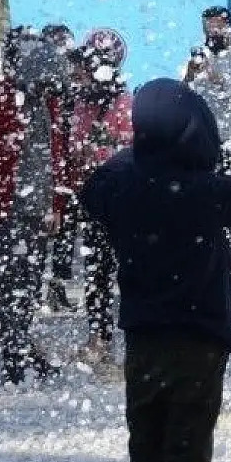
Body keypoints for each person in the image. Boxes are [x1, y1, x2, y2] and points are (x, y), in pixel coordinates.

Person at [80, 78, 231, 462]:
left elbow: (92, 187)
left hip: (144, 340)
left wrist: (139, 154)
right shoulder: (206, 192)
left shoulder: (122, 191)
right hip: (199, 342)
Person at [0, 30, 69, 385]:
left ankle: (22, 349)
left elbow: (57, 159)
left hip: (35, 211)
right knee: (7, 283)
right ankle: (15, 356)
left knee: (28, 283)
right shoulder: (0, 99)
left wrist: (55, 205)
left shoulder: (46, 103)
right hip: (4, 209)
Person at [69, 38, 133, 375]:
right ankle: (99, 336)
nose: (79, 78)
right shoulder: (81, 104)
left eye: (84, 72)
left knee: (131, 270)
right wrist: (81, 151)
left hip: (123, 196)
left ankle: (136, 338)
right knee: (97, 272)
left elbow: (135, 143)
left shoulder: (124, 101)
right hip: (92, 194)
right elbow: (74, 144)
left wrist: (107, 143)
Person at [182, 7, 231, 175]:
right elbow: (181, 101)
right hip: (202, 144)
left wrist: (221, 81)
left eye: (218, 27)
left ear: (229, 29)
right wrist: (188, 77)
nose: (213, 32)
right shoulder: (195, 61)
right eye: (208, 27)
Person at [40, 23, 80, 312]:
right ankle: (35, 287)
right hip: (45, 167)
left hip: (67, 166)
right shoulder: (39, 86)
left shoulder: (71, 85)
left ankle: (56, 286)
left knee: (66, 230)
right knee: (43, 230)